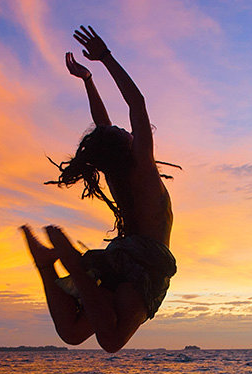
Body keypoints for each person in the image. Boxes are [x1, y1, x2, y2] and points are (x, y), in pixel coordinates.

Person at [22, 26, 176, 353]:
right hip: (147, 260)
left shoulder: (117, 172)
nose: (124, 129)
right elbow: (137, 103)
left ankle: (47, 264)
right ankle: (70, 260)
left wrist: (89, 80)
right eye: (122, 131)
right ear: (126, 145)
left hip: (121, 255)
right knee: (111, 340)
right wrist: (106, 57)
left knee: (73, 332)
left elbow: (103, 124)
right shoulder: (142, 169)